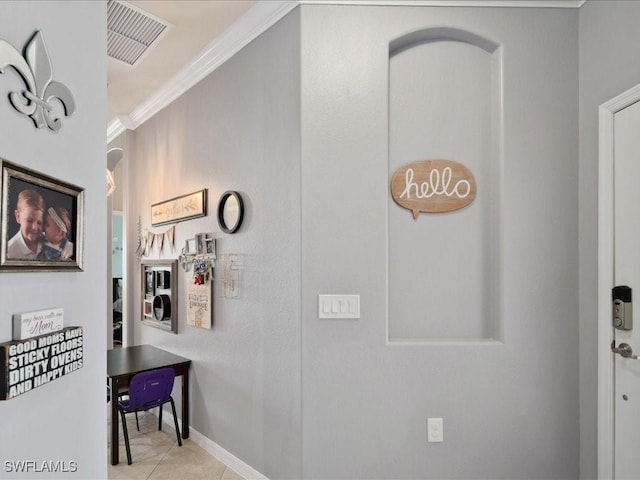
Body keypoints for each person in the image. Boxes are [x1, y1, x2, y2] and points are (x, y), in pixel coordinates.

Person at [6, 189, 45, 259]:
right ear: (18, 217)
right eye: (29, 221)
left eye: (39, 222)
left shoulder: (50, 241)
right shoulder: (9, 252)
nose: (35, 227)